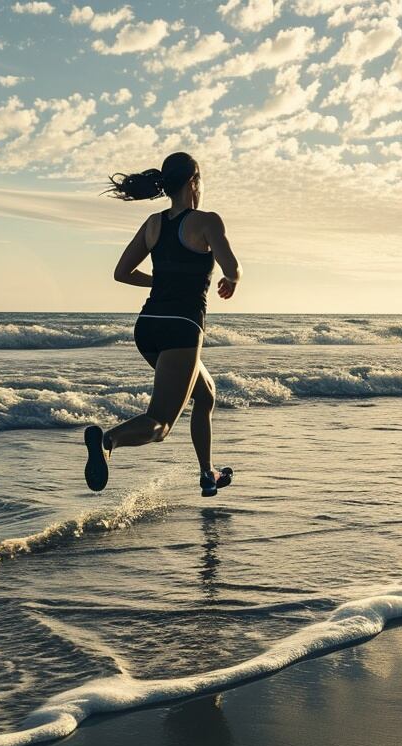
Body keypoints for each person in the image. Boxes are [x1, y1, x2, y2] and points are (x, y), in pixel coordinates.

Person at [83, 152, 240, 496]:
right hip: (181, 327)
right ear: (194, 181)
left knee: (206, 394)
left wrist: (159, 282)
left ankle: (207, 474)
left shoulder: (153, 224)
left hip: (148, 327)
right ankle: (108, 441)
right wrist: (232, 278)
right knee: (161, 424)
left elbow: (121, 273)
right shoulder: (207, 221)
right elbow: (232, 264)